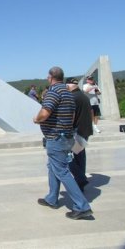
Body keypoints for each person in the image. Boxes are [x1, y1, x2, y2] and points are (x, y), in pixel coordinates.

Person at [33, 66, 93, 220]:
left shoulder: (53, 92)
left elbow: (45, 113)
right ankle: (52, 198)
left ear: (51, 77)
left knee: (62, 170)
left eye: (48, 77)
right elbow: (72, 116)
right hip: (66, 136)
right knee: (52, 166)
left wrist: (36, 119)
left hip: (56, 138)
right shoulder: (68, 93)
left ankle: (82, 206)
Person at [66, 77, 93, 192]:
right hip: (85, 130)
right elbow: (91, 112)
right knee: (80, 157)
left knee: (68, 158)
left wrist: (67, 130)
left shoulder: (72, 97)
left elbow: (71, 116)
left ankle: (81, 179)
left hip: (76, 131)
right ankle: (80, 184)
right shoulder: (84, 96)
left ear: (68, 85)